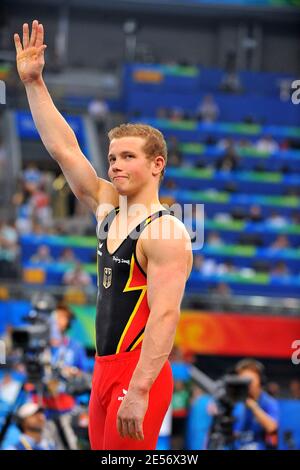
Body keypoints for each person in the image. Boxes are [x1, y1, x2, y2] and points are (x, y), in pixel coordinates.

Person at [14, 20, 192, 450]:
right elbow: (64, 149)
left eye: (128, 156)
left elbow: (165, 317)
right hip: (102, 368)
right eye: (112, 157)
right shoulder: (107, 208)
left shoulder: (165, 231)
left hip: (137, 373)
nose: (114, 165)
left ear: (157, 165)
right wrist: (35, 82)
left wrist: (142, 390)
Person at [234, 358, 279, 450]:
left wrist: (253, 407)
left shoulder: (268, 402)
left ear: (260, 380)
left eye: (250, 380)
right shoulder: (235, 402)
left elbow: (272, 427)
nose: (247, 385)